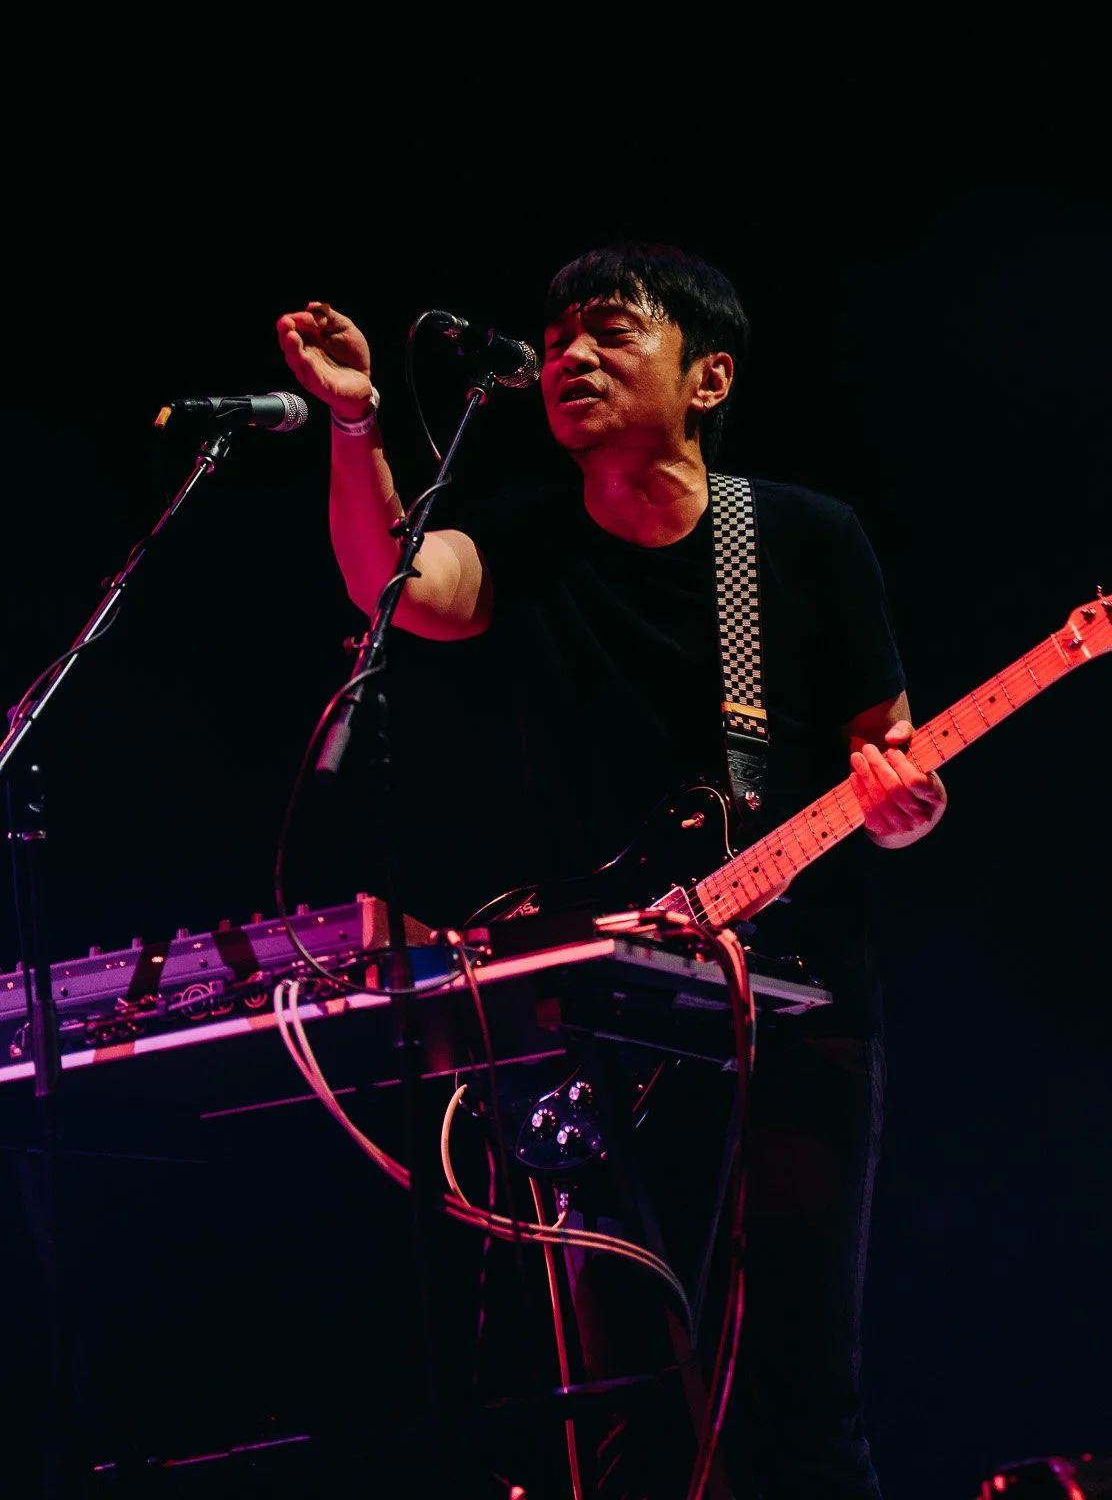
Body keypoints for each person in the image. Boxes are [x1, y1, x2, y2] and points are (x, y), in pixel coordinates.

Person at [277, 243, 947, 1499]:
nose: (570, 357)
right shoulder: (528, 537)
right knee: (630, 1392)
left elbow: (887, 759)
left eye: (611, 331)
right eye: (556, 340)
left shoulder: (802, 536)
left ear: (709, 377)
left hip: (795, 999)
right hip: (602, 1009)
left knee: (801, 1385)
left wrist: (904, 810)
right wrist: (354, 420)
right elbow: (395, 586)